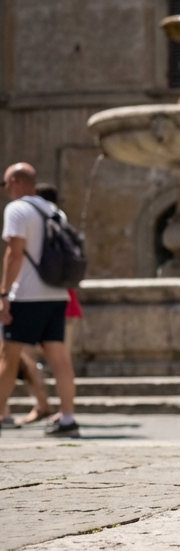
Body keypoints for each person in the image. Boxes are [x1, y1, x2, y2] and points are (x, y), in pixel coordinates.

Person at [0, 163, 79, 437]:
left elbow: (15, 253)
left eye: (6, 183)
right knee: (59, 357)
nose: (6, 189)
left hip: (26, 294)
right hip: (57, 293)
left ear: (16, 182)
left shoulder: (17, 209)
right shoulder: (54, 210)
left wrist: (4, 294)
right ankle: (68, 418)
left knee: (8, 357)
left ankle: (0, 414)